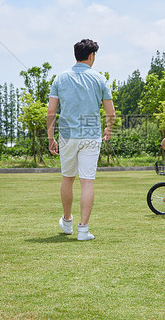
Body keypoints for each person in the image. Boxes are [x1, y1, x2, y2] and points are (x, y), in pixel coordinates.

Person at [46, 39, 116, 241]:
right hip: (92, 136)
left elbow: (51, 111)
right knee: (87, 182)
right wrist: (108, 129)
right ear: (92, 56)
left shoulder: (60, 78)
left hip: (67, 135)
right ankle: (83, 230)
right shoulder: (99, 79)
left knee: (68, 178)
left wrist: (51, 137)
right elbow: (110, 112)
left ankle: (67, 222)